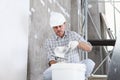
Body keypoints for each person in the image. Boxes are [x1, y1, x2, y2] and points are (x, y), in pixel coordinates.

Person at [43, 12, 95, 80]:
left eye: (60, 26)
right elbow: (51, 60)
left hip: (75, 67)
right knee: (46, 75)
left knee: (89, 63)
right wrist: (59, 65)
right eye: (55, 27)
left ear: (64, 24)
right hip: (61, 69)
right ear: (52, 28)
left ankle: (81, 78)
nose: (58, 29)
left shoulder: (73, 35)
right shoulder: (49, 41)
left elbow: (89, 48)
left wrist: (78, 43)